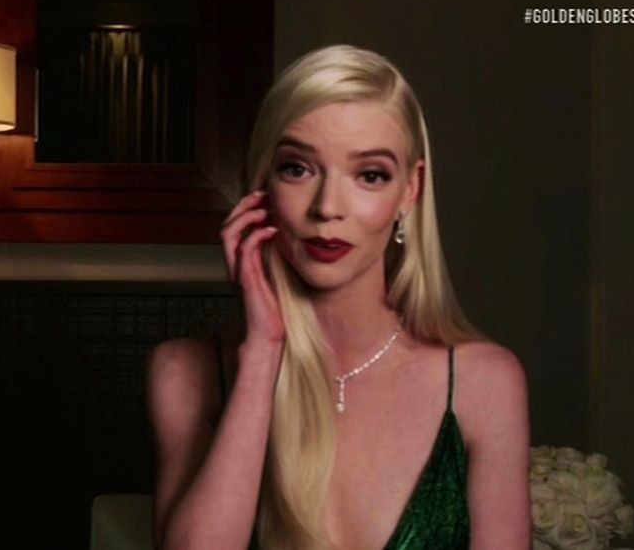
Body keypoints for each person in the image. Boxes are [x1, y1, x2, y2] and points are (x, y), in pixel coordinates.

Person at [145, 44, 532, 550]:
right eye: (297, 169)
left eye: (370, 175)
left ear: (410, 190)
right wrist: (262, 354)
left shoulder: (484, 382)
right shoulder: (187, 372)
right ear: (261, 181)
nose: (328, 207)